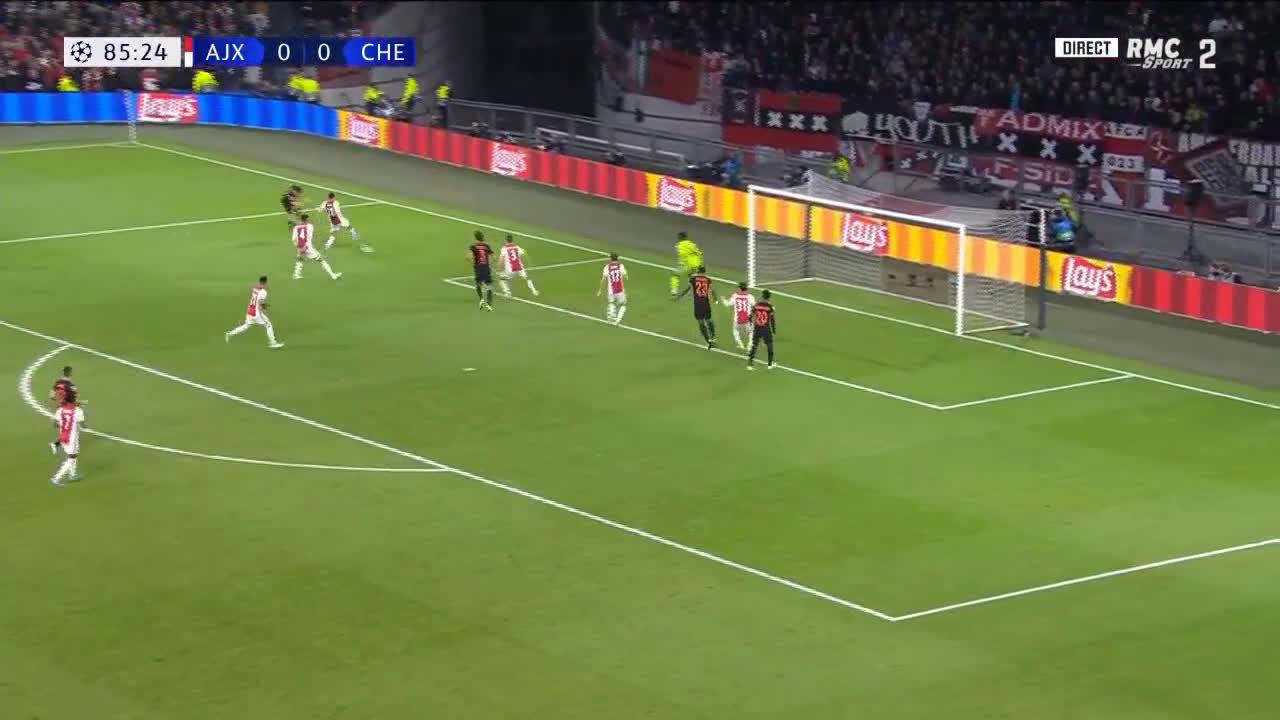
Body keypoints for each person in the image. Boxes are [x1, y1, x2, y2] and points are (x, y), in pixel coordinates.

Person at [226, 275, 285, 349]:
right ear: (265, 282)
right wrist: (264, 307)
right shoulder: (263, 292)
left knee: (246, 326)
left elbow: (256, 299)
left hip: (250, 311)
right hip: (257, 313)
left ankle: (229, 334)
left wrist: (264, 304)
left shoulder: (255, 288)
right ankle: (273, 343)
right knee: (268, 325)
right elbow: (260, 302)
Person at [674, 265, 718, 348]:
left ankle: (708, 340)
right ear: (704, 271)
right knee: (709, 320)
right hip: (706, 303)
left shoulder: (693, 279)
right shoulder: (708, 279)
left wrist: (679, 296)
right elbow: (712, 290)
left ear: (698, 271)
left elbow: (688, 289)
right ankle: (713, 336)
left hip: (698, 304)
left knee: (701, 323)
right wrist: (715, 300)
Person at [51, 389, 85, 486]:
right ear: (73, 401)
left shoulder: (60, 410)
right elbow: (82, 424)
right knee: (71, 457)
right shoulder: (78, 411)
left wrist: (63, 425)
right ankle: (56, 478)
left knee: (75, 454)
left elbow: (55, 424)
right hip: (71, 438)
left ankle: (72, 474)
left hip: (63, 437)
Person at [292, 215, 343, 280]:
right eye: (308, 219)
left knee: (300, 259)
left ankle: (296, 274)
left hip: (300, 246)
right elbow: (307, 237)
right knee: (322, 260)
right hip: (308, 247)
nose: (310, 220)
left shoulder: (296, 227)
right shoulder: (310, 226)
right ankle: (333, 275)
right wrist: (306, 247)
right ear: (306, 220)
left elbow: (294, 239)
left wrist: (298, 247)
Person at [746, 290, 777, 370]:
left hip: (757, 327)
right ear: (769, 298)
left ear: (762, 296)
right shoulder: (770, 307)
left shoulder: (757, 305)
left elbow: (750, 316)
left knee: (754, 345)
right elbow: (772, 319)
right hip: (766, 328)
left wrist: (750, 324)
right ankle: (770, 364)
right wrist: (773, 329)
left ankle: (750, 364)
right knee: (769, 345)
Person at [722, 282, 756, 349]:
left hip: (737, 320)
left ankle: (739, 343)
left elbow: (727, 304)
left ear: (740, 288)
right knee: (751, 332)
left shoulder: (735, 296)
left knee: (735, 331)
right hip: (747, 319)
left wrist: (723, 300)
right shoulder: (750, 296)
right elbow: (754, 305)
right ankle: (750, 345)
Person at [597, 253, 628, 325]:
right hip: (620, 289)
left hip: (611, 290)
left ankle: (611, 318)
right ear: (617, 258)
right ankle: (617, 320)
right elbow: (626, 276)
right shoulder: (620, 266)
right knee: (623, 304)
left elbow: (603, 279)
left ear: (610, 259)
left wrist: (600, 290)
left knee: (611, 303)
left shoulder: (607, 267)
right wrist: (624, 277)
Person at [468, 230, 495, 310]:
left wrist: (473, 263)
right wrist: (490, 264)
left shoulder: (473, 246)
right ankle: (489, 304)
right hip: (486, 267)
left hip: (478, 267)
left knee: (478, 284)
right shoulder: (486, 246)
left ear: (475, 237)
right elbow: (494, 257)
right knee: (489, 285)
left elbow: (468, 256)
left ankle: (481, 299)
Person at [671, 231, 703, 296]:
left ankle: (674, 291)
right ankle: (691, 292)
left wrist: (681, 263)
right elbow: (699, 253)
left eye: (678, 237)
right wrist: (700, 263)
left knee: (675, 275)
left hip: (687, 264)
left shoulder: (680, 245)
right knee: (691, 277)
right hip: (696, 265)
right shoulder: (692, 244)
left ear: (680, 237)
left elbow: (682, 255)